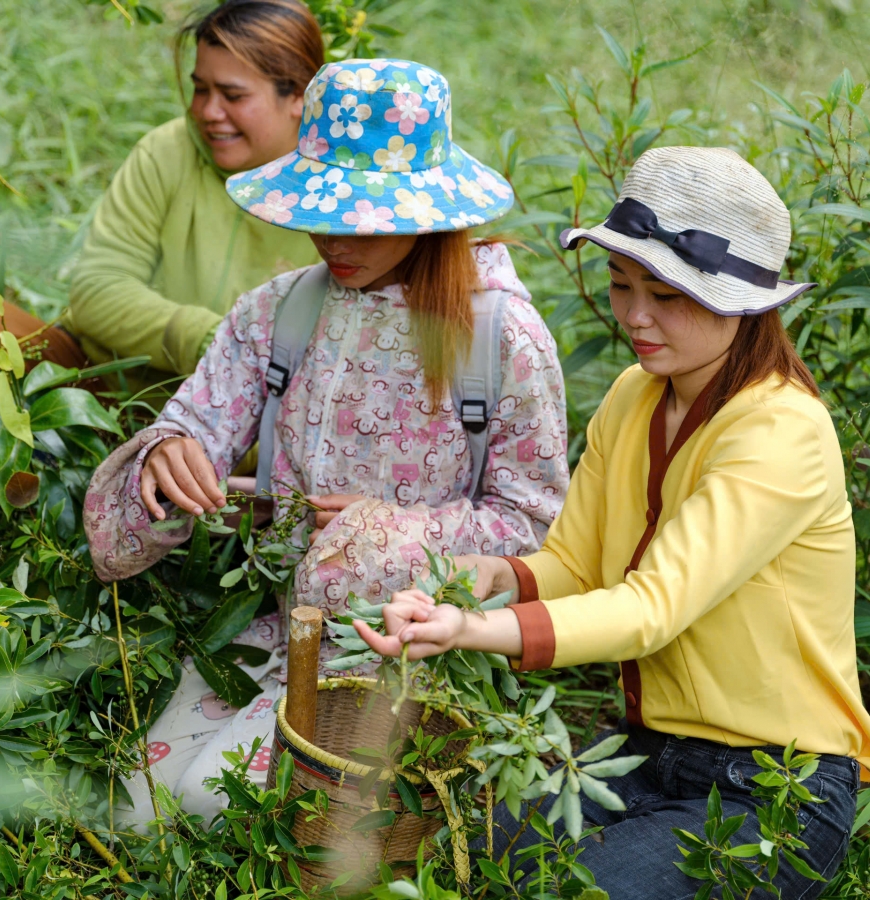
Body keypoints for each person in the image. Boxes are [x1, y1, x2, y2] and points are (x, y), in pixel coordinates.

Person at [356, 147, 870, 900]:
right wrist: (493, 582)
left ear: (741, 301)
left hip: (774, 784)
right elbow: (575, 568)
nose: (635, 317)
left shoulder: (780, 430)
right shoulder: (633, 394)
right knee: (457, 841)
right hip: (645, 754)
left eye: (666, 295)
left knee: (573, 890)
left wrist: (472, 632)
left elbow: (652, 609)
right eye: (620, 285)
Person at [83, 58, 569, 824]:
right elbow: (195, 431)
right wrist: (165, 459)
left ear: (427, 214)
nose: (331, 240)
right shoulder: (277, 313)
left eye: (362, 221)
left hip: (420, 651)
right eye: (320, 213)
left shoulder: (500, 341)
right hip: (273, 630)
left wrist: (385, 532)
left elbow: (536, 529)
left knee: (226, 808)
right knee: (138, 812)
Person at [0, 0, 321, 398]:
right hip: (106, 392)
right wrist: (212, 341)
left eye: (233, 96)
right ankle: (51, 461)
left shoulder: (336, 190)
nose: (209, 111)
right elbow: (98, 290)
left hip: (240, 425)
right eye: (200, 88)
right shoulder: (168, 150)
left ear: (298, 95)